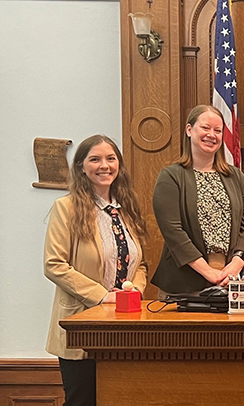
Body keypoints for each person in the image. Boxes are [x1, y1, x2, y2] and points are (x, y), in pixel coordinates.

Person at [44, 135, 148, 406]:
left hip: (123, 329)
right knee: (83, 401)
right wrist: (102, 296)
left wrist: (133, 290)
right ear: (81, 166)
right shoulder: (65, 208)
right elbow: (54, 264)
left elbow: (141, 264)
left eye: (111, 158)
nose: (105, 165)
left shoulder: (126, 210)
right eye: (95, 159)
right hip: (81, 326)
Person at [151, 105, 244, 295]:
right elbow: (173, 231)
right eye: (205, 128)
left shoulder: (236, 177)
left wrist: (236, 264)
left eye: (218, 130)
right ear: (189, 130)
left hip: (228, 281)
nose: (212, 135)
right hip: (183, 284)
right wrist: (208, 272)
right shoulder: (171, 176)